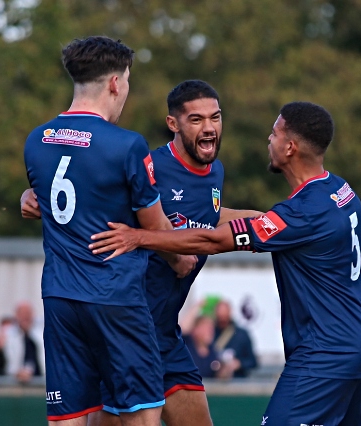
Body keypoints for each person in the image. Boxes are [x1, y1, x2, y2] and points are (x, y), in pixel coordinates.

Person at [90, 102, 361, 426]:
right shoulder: (340, 190)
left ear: (290, 147)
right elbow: (268, 223)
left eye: (274, 134)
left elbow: (213, 241)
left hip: (327, 352)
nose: (268, 141)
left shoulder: (302, 212)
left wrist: (139, 237)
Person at [22, 79, 260, 426]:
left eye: (215, 117)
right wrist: (32, 196)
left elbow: (208, 217)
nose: (209, 128)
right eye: (196, 120)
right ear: (173, 124)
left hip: (165, 334)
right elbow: (90, 196)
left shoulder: (215, 172)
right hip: (125, 329)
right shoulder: (151, 166)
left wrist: (268, 220)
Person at [23, 36, 198, 425]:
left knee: (68, 415)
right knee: (143, 412)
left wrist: (28, 198)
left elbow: (53, 193)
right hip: (115, 298)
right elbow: (156, 228)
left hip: (59, 297)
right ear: (115, 83)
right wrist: (179, 256)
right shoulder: (127, 145)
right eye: (128, 83)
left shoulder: (37, 140)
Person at [213, 300, 257, 378]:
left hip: (237, 381)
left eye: (225, 317)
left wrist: (239, 364)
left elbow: (253, 362)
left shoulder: (242, 335)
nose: (222, 320)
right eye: (220, 317)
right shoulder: (209, 333)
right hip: (213, 381)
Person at [2, 301, 44, 383]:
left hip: (42, 383)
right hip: (15, 384)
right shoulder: (8, 335)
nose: (25, 317)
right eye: (22, 314)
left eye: (27, 314)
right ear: (16, 316)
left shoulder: (42, 334)